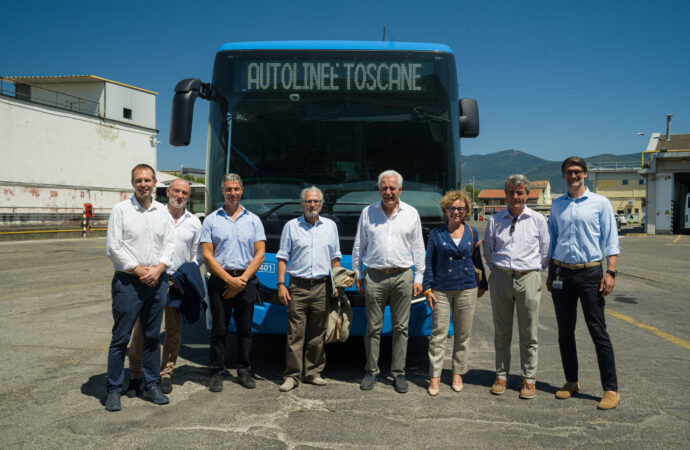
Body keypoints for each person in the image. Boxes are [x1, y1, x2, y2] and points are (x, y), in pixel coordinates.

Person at [547, 156, 621, 410]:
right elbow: (552, 240)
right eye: (569, 172)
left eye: (577, 171)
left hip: (590, 273)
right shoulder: (557, 206)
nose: (573, 175)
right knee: (564, 332)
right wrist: (550, 273)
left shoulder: (600, 203)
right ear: (564, 175)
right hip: (561, 273)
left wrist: (610, 272)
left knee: (597, 331)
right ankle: (571, 381)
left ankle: (610, 389)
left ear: (585, 174)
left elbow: (611, 241)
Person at [104, 164, 176, 411]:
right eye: (138, 181)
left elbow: (170, 243)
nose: (143, 184)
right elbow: (114, 247)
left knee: (152, 337)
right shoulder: (121, 210)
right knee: (120, 338)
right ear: (133, 183)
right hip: (128, 282)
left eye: (147, 180)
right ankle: (114, 389)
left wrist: (158, 269)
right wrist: (137, 269)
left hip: (157, 281)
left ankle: (152, 384)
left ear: (155, 182)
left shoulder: (162, 212)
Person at [127, 178, 202, 396]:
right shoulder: (155, 215)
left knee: (173, 330)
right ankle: (136, 375)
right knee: (142, 331)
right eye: (176, 191)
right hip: (152, 280)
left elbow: (197, 254)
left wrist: (185, 273)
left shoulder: (194, 222)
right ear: (168, 191)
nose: (180, 196)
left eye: (185, 193)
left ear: (188, 196)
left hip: (177, 282)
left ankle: (166, 373)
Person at [352, 170, 425, 393]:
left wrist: (419, 276)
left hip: (403, 275)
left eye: (392, 188)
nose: (388, 192)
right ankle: (371, 371)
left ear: (400, 190)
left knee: (401, 328)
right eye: (384, 188)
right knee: (372, 327)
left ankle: (398, 373)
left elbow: (418, 248)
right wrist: (358, 273)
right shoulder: (368, 212)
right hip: (374, 276)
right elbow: (359, 245)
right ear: (379, 189)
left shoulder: (411, 213)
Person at [483, 175, 550, 399]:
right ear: (506, 194)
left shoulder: (538, 220)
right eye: (511, 192)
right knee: (501, 332)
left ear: (527, 195)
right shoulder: (495, 220)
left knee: (529, 333)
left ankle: (528, 379)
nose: (515, 196)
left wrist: (531, 271)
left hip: (528, 278)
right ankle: (501, 376)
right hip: (501, 277)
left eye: (520, 192)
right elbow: (489, 252)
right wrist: (500, 270)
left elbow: (545, 251)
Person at [201, 173, 266, 392]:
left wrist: (242, 280)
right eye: (228, 189)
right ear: (222, 191)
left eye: (236, 189)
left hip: (246, 280)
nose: (233, 193)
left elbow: (260, 254)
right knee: (219, 329)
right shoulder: (211, 220)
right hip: (220, 281)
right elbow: (207, 255)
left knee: (245, 329)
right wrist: (230, 280)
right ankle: (217, 372)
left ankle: (244, 371)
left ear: (242, 191)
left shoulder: (253, 220)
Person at [276, 186, 342, 392]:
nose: (312, 205)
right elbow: (282, 257)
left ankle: (313, 372)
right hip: (298, 286)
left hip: (322, 286)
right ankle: (292, 376)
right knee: (295, 333)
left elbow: (335, 257)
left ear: (321, 204)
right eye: (308, 201)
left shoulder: (330, 226)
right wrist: (281, 285)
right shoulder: (291, 226)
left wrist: (336, 284)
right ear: (301, 204)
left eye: (316, 201)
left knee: (317, 333)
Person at [423, 190, 487, 396]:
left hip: (467, 288)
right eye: (452, 208)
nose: (456, 212)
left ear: (466, 211)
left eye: (460, 208)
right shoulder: (436, 234)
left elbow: (477, 260)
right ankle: (435, 377)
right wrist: (427, 288)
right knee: (438, 335)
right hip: (441, 289)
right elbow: (429, 262)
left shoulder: (472, 232)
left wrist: (482, 283)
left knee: (462, 335)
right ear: (445, 210)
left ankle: (457, 373)